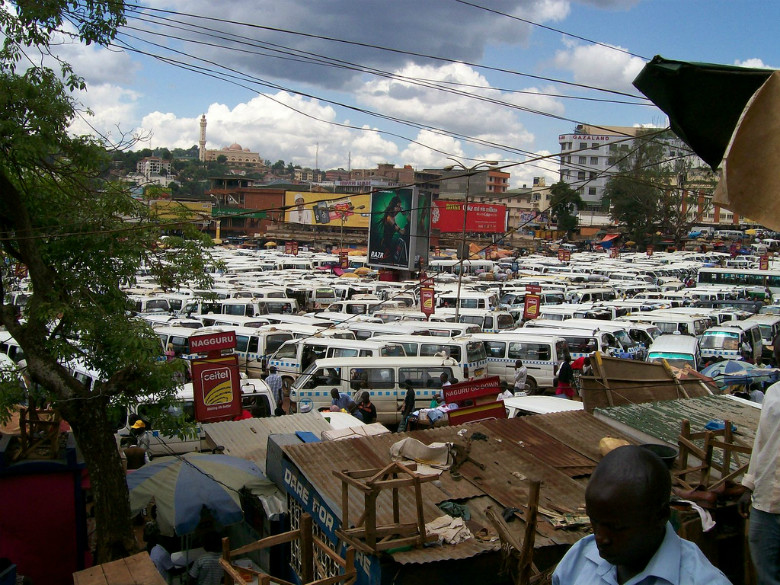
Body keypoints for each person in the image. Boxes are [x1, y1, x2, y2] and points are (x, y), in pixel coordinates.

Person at [553, 445, 731, 585]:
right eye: (595, 522)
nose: (601, 538)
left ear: (661, 516)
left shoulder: (699, 580)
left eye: (617, 528)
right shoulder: (579, 558)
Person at [739, 380, 780, 583]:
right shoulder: (773, 393)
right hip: (765, 502)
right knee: (765, 574)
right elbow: (761, 441)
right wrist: (748, 485)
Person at [379, 195, 407, 264]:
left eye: (399, 207)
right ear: (393, 206)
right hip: (387, 246)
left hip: (389, 244)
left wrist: (402, 210)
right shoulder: (390, 219)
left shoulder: (393, 215)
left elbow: (404, 213)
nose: (398, 209)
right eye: (397, 207)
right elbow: (401, 232)